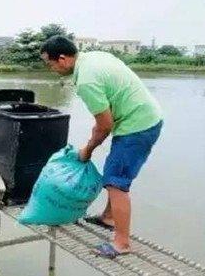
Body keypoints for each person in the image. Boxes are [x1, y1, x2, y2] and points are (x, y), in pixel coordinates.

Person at [40, 36, 163, 258]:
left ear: (63, 59)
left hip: (137, 126)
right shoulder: (95, 57)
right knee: (115, 172)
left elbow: (105, 125)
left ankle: (122, 243)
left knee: (116, 182)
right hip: (146, 117)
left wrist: (87, 150)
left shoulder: (86, 80)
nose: (52, 69)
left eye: (51, 64)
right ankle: (108, 217)